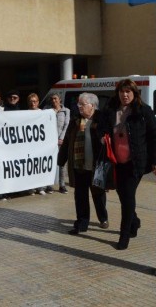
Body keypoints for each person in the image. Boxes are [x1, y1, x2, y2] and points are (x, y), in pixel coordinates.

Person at [99, 79, 156, 250]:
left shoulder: (143, 110)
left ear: (134, 93)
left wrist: (155, 161)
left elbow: (154, 136)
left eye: (128, 92)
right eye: (122, 92)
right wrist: (102, 136)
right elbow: (101, 127)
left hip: (136, 163)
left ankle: (124, 236)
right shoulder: (110, 109)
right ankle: (135, 221)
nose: (125, 95)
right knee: (123, 195)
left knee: (128, 197)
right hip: (116, 161)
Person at [59, 92, 108, 235]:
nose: (79, 107)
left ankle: (103, 217)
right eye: (78, 104)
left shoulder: (102, 119)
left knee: (98, 194)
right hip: (79, 166)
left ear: (92, 106)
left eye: (82, 104)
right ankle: (81, 224)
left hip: (96, 165)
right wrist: (61, 160)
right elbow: (67, 141)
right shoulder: (75, 121)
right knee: (80, 196)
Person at [27, 93, 48, 195]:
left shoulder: (43, 113)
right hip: (30, 146)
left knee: (40, 165)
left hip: (40, 145)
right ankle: (31, 188)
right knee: (31, 166)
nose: (33, 103)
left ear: (38, 102)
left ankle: (41, 188)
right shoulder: (24, 114)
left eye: (35, 101)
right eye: (31, 101)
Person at [50, 93, 70, 194]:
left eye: (55, 99)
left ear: (60, 100)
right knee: (50, 162)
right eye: (52, 99)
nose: (54, 101)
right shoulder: (48, 111)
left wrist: (61, 138)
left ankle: (62, 185)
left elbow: (66, 125)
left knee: (61, 164)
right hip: (50, 141)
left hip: (61, 141)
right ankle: (49, 185)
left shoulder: (66, 111)